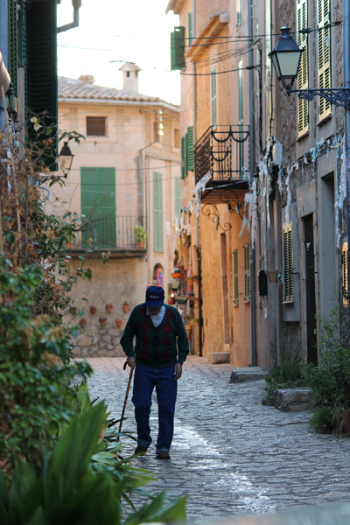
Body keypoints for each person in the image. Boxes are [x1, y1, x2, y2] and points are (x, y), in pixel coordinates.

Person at [120, 285, 189, 459]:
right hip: (144, 366)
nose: (154, 308)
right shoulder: (138, 312)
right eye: (151, 304)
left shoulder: (173, 314)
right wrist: (130, 355)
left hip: (168, 368)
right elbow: (127, 337)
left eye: (157, 304)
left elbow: (183, 339)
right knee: (141, 404)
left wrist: (180, 361)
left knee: (166, 408)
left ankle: (163, 447)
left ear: (162, 301)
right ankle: (143, 441)